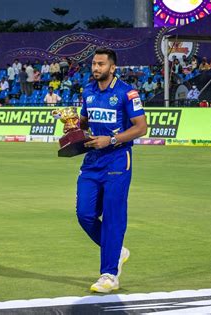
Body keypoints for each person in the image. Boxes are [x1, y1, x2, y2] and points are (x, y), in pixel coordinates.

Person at [76, 48, 147, 293]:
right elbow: (84, 120)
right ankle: (118, 251)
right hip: (92, 161)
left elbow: (141, 127)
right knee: (84, 214)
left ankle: (109, 275)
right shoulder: (87, 90)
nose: (96, 68)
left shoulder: (127, 92)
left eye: (101, 64)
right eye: (94, 64)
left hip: (118, 160)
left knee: (113, 217)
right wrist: (73, 124)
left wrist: (113, 140)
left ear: (112, 67)